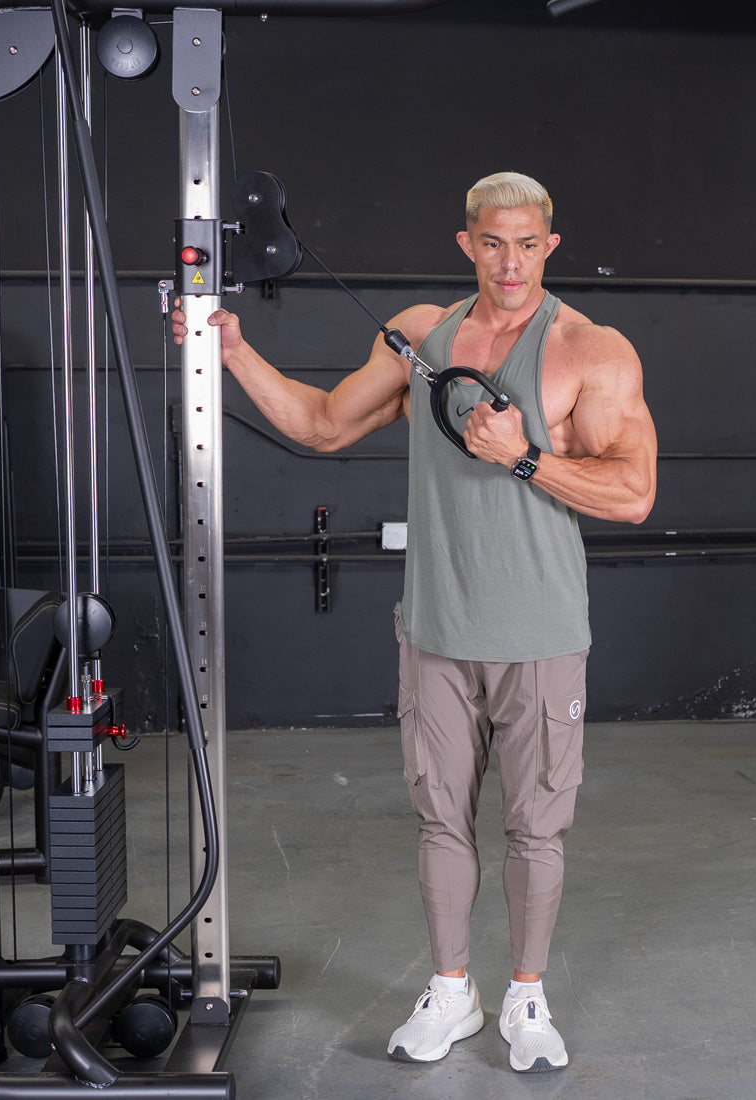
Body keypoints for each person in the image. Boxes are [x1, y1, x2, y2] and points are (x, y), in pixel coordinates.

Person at [172, 171, 657, 1073]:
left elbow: (632, 493)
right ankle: (451, 990)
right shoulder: (421, 336)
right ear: (466, 244)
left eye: (527, 244)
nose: (509, 263)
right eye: (492, 243)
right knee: (440, 823)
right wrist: (232, 351)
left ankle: (526, 998)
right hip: (435, 629)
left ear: (550, 246)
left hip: (541, 633)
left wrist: (523, 457)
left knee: (535, 830)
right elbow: (323, 426)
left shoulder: (591, 351)